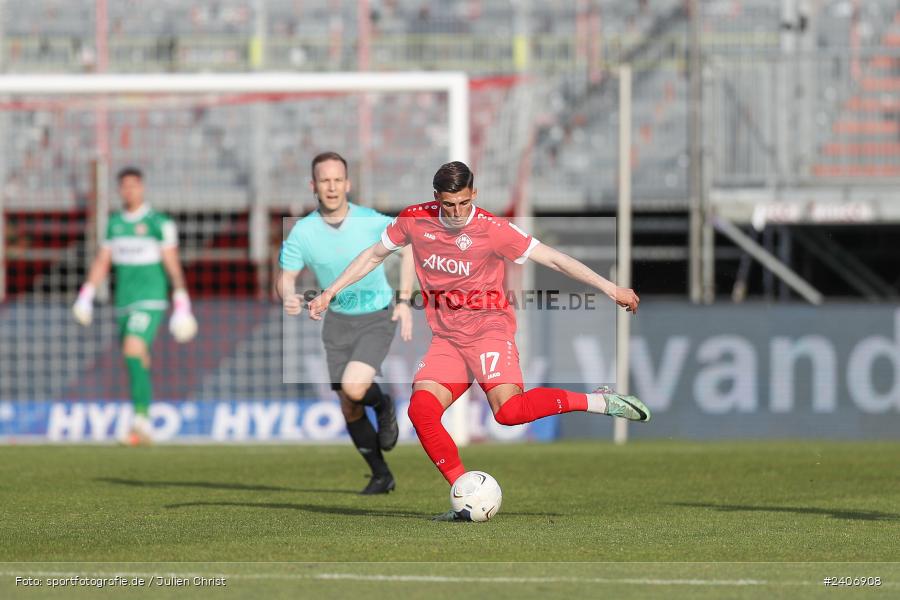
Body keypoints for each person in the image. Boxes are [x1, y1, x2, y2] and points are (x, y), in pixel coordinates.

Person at [307, 161, 651, 518]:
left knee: (509, 412)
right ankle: (466, 497)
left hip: (489, 329)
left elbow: (554, 259)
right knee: (422, 412)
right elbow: (373, 255)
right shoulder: (414, 220)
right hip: (447, 340)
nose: (456, 213)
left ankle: (599, 401)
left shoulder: (493, 229)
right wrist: (331, 292)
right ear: (436, 198)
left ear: (474, 194)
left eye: (463, 203)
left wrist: (611, 289)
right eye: (448, 205)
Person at [279, 151, 415, 495]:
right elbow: (286, 275)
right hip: (337, 320)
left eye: (338, 179)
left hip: (376, 313)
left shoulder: (371, 220)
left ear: (348, 184)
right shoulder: (302, 232)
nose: (332, 187)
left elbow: (408, 247)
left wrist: (403, 300)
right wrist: (288, 295)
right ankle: (381, 475)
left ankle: (384, 404)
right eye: (325, 180)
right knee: (348, 403)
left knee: (355, 388)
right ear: (313, 185)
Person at [73, 167, 197, 445]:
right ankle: (145, 424)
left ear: (142, 188)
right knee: (138, 358)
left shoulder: (158, 222)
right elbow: (103, 261)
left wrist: (181, 302)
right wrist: (86, 295)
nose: (129, 191)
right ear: (119, 190)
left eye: (134, 186)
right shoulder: (114, 223)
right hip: (123, 301)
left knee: (132, 348)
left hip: (150, 298)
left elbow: (172, 264)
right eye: (124, 186)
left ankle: (140, 419)